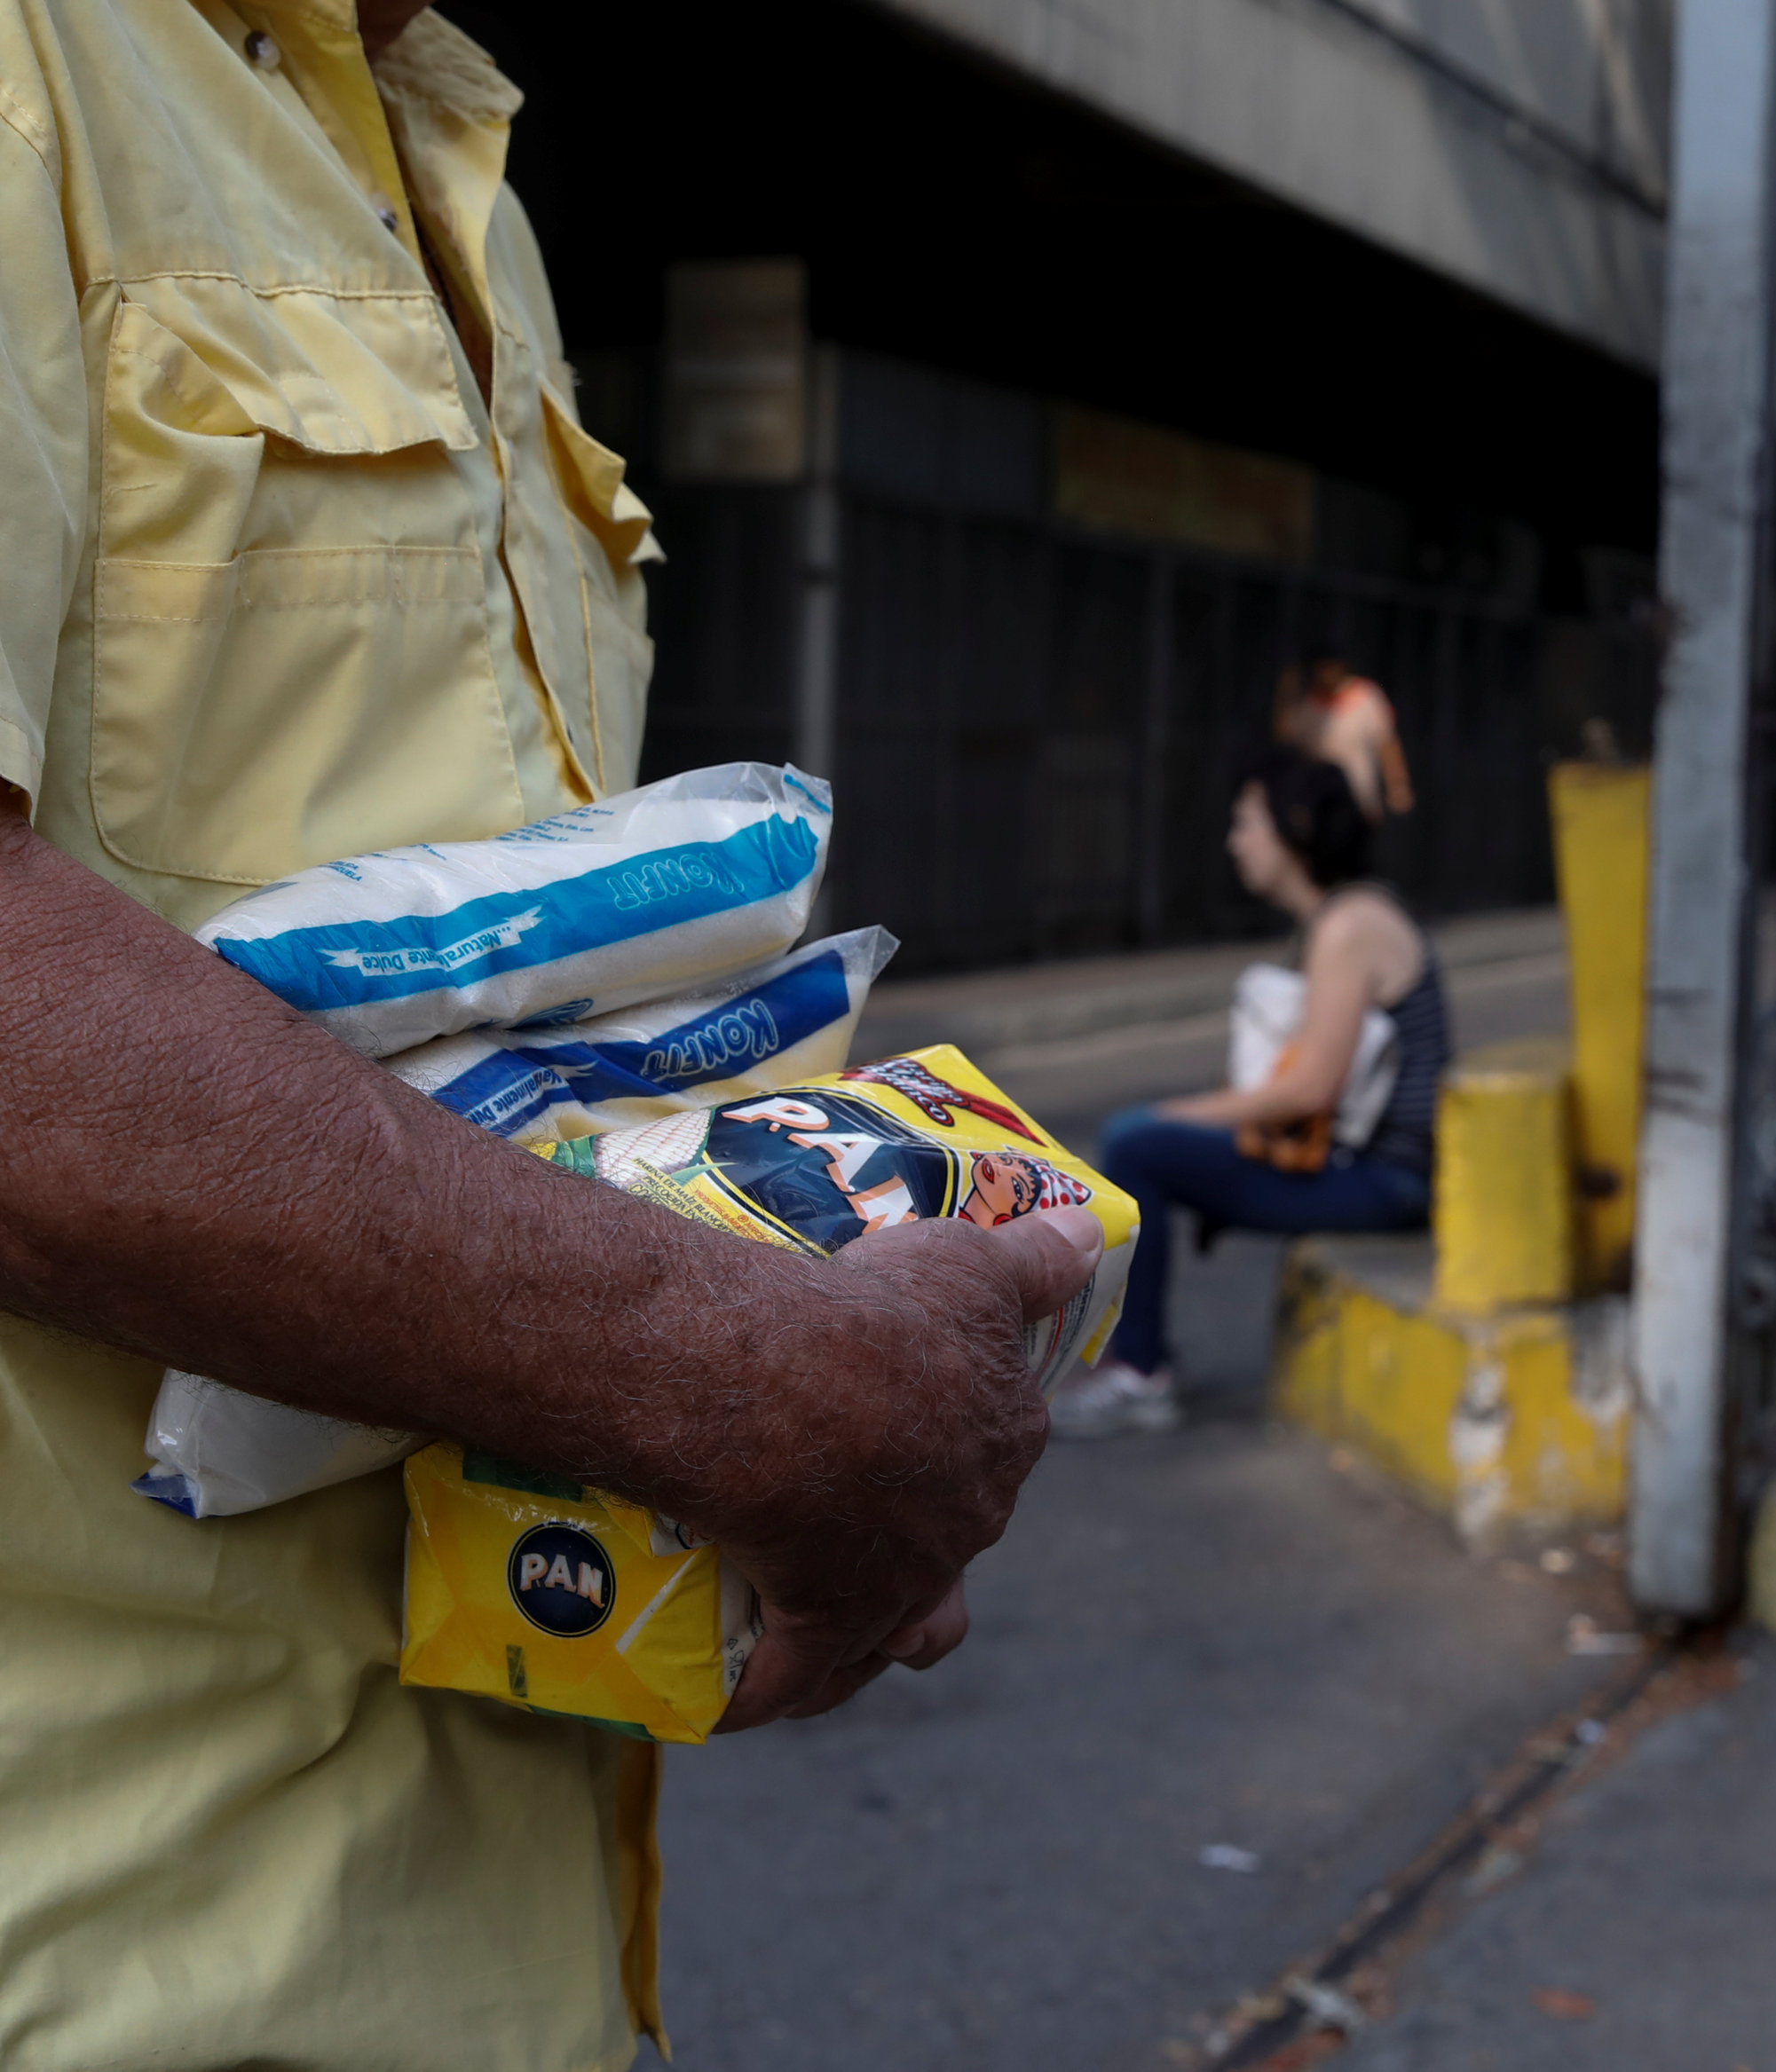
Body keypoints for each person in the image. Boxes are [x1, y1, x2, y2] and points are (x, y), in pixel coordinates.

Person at [0, 4, 1103, 2064]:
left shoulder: (447, 162)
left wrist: (779, 1255)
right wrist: (725, 1374)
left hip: (477, 1906)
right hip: (92, 1941)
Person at [1058, 751, 1448, 1438]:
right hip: (1368, 1166)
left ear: (1294, 827)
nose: (1235, 841)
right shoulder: (1339, 916)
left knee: (1135, 1143)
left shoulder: (1348, 925)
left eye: (1247, 823)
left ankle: (1140, 1372)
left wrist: (1177, 1116)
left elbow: (1308, 1088)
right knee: (1147, 1140)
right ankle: (1135, 1362)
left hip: (1387, 1179)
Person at [1275, 655, 1417, 823]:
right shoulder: (1307, 699)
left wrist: (1398, 785)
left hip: (1357, 794)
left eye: (1330, 666)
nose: (1326, 674)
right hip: (1315, 799)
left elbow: (1386, 743)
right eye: (1321, 668)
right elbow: (1285, 738)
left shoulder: (1366, 695)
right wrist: (1285, 695)